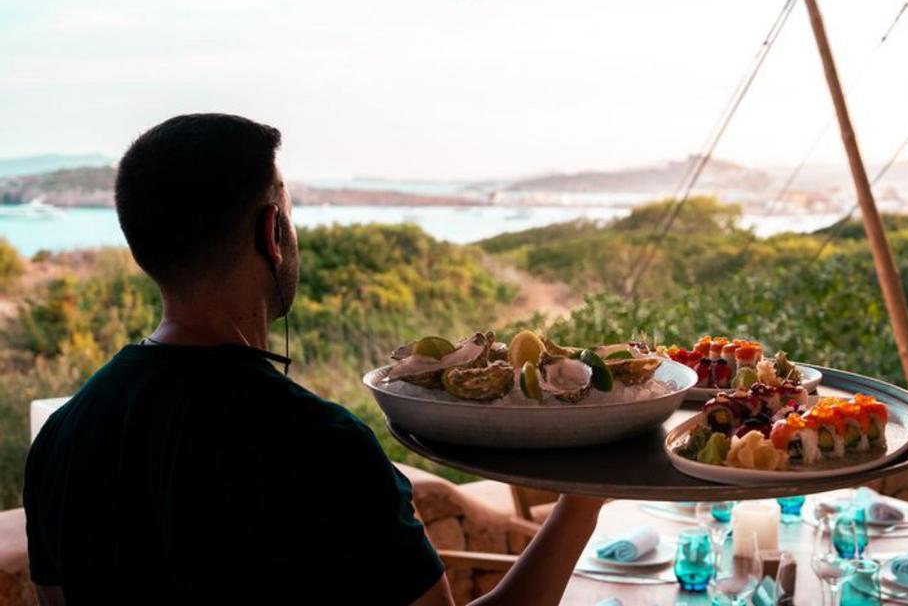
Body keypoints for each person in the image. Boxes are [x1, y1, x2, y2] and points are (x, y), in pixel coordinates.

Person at [24, 114, 603, 605]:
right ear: (272, 232)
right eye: (291, 216)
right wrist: (581, 503)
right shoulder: (321, 446)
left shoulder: (62, 438)